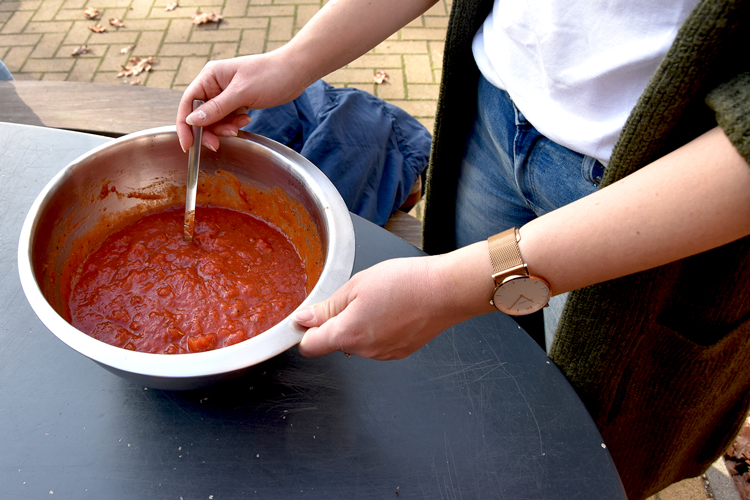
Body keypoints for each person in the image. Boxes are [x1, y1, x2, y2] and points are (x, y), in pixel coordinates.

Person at [175, 0, 750, 498]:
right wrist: (293, 61)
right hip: (493, 117)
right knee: (477, 373)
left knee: (586, 443)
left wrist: (452, 285)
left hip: (664, 194)